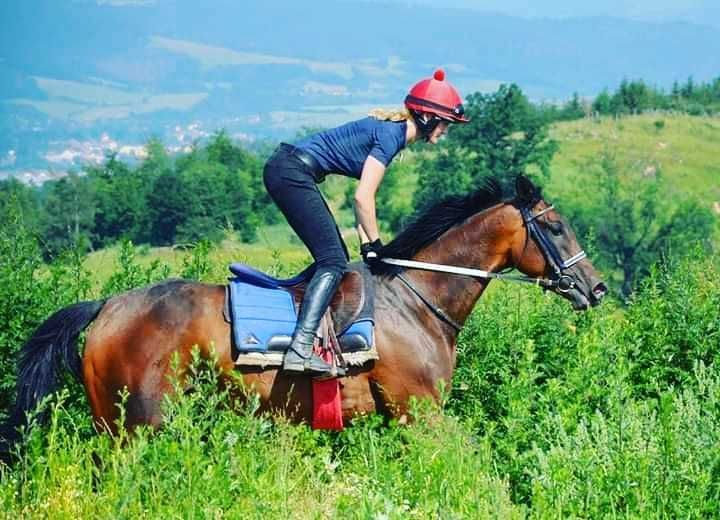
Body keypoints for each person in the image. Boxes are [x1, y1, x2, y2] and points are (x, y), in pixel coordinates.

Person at [263, 69, 469, 376]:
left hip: (290, 170)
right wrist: (376, 246)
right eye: (445, 124)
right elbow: (363, 197)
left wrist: (367, 247)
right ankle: (300, 349)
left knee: (335, 259)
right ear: (427, 118)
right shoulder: (391, 135)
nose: (445, 132)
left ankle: (306, 327)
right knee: (332, 261)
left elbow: (360, 202)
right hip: (291, 173)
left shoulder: (392, 132)